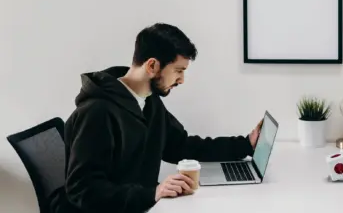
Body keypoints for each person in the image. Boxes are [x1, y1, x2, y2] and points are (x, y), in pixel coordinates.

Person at [49, 23, 262, 213]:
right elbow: (83, 190)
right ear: (152, 66)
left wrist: (245, 144)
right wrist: (153, 193)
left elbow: (181, 146)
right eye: (178, 70)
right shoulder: (97, 112)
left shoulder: (149, 102)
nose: (182, 80)